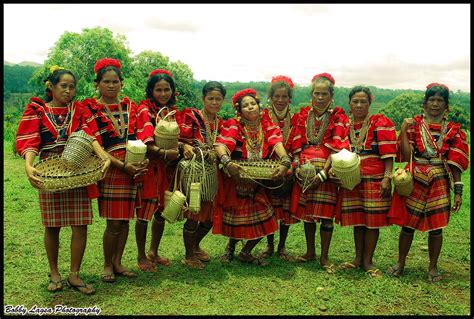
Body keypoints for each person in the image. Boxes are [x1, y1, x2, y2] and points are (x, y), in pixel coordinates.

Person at [16, 65, 110, 295]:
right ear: (51, 86)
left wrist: (103, 157)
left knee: (80, 224)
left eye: (72, 86)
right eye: (63, 86)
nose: (68, 91)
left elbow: (89, 136)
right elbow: (30, 141)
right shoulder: (37, 111)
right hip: (50, 172)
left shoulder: (78, 111)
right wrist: (29, 166)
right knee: (53, 225)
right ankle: (55, 272)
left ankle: (74, 274)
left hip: (78, 170)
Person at [387, 83, 469, 282]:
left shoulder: (453, 130)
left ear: (446, 106)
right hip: (415, 177)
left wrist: (458, 191)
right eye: (431, 100)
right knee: (408, 224)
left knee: (437, 226)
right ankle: (400, 262)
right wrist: (405, 131)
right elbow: (406, 155)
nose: (435, 104)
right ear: (424, 104)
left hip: (439, 179)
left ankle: (433, 267)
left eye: (440, 100)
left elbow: (456, 165)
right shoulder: (414, 125)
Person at [82, 58, 149, 283]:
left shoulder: (131, 107)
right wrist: (123, 166)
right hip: (111, 169)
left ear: (121, 83)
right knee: (113, 222)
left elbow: (140, 137)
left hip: (133, 168)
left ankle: (119, 262)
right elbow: (97, 146)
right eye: (106, 82)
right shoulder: (91, 110)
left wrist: (140, 162)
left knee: (125, 220)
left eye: (115, 81)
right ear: (97, 84)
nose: (111, 86)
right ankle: (107, 264)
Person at [213, 88, 291, 266]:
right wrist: (227, 162)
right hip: (238, 178)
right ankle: (230, 249)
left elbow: (276, 142)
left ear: (259, 106)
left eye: (253, 104)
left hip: (258, 180)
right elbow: (222, 145)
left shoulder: (267, 125)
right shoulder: (235, 125)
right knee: (235, 219)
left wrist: (285, 159)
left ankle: (245, 252)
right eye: (245, 105)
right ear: (239, 111)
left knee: (266, 219)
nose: (250, 108)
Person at [290, 73, 350, 273]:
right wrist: (298, 166)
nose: (320, 97)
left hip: (327, 168)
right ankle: (309, 252)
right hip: (305, 168)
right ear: (311, 94)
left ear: (331, 96)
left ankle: (324, 257)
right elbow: (296, 143)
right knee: (309, 214)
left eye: (325, 94)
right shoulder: (302, 115)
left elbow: (337, 146)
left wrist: (323, 174)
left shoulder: (338, 117)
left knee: (326, 215)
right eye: (317, 93)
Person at [335, 86, 396, 277]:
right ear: (349, 105)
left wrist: (387, 178)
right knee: (358, 220)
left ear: (369, 104)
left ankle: (368, 261)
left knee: (372, 221)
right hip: (352, 178)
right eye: (355, 101)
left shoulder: (379, 123)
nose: (359, 105)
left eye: (363, 101)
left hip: (375, 178)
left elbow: (388, 155)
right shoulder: (345, 125)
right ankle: (358, 258)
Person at [133, 69, 180, 272]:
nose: (163, 94)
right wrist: (163, 152)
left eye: (166, 89)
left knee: (161, 211)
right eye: (158, 90)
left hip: (166, 168)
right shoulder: (145, 111)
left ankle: (154, 251)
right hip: (149, 167)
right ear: (151, 91)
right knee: (145, 213)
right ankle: (141, 255)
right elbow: (145, 141)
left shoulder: (173, 113)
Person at [178, 81, 226, 269]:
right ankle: (189, 255)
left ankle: (195, 246)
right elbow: (180, 139)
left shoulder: (221, 123)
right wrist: (185, 146)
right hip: (195, 171)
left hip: (213, 173)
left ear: (223, 100)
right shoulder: (193, 117)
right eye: (210, 99)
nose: (214, 102)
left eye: (218, 99)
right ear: (203, 99)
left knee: (209, 217)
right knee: (194, 213)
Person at [258, 75, 301, 261]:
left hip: (288, 166)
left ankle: (282, 246)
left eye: (284, 97)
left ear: (289, 98)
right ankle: (269, 245)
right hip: (267, 166)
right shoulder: (263, 116)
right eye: (277, 97)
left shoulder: (297, 118)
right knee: (269, 208)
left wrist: (294, 164)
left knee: (285, 208)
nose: (281, 100)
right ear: (271, 97)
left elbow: (299, 146)